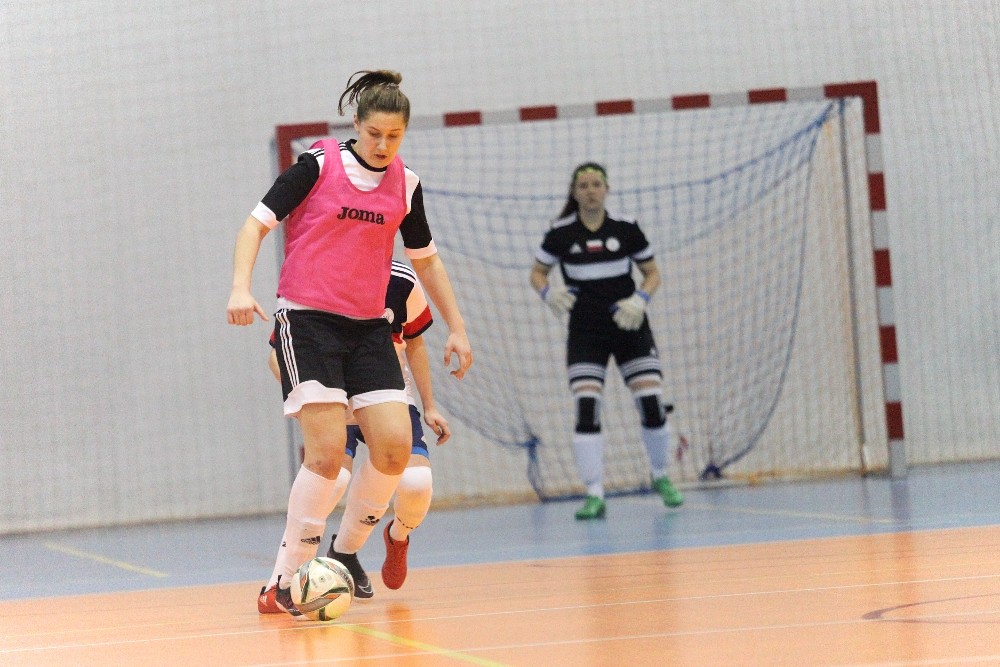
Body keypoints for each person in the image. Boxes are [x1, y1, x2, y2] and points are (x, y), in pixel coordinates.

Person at [227, 70, 472, 616]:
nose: (383, 145)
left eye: (395, 136)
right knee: (326, 455)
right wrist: (241, 287)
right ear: (356, 124)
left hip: (367, 328)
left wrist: (456, 327)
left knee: (393, 451)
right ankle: (281, 581)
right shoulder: (317, 166)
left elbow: (427, 260)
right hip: (308, 320)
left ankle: (345, 551)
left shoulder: (405, 184)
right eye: (375, 134)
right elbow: (254, 226)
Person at [257, 260, 449, 613]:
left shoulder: (401, 280)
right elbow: (278, 355)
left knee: (417, 483)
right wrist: (311, 399)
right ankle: (282, 580)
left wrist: (431, 405)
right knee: (332, 480)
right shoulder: (318, 277)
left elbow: (416, 343)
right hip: (335, 396)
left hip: (388, 393)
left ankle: (383, 541)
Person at [529, 162, 682, 520]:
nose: (590, 191)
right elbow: (537, 273)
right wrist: (549, 293)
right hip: (586, 331)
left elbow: (652, 273)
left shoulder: (626, 228)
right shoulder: (560, 233)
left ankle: (661, 475)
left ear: (607, 189)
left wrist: (640, 300)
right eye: (583, 185)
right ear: (575, 192)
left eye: (596, 184)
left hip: (629, 326)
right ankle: (594, 493)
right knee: (587, 406)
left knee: (651, 402)